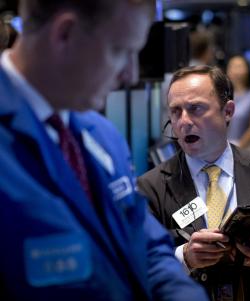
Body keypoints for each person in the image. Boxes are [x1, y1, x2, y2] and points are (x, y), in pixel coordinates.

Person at [0, 1, 208, 300]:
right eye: (120, 52)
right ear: (65, 34)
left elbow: (145, 245)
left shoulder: (103, 134)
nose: (131, 74)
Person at [138, 65, 250, 301]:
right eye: (176, 111)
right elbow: (135, 263)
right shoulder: (150, 188)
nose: (184, 121)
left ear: (228, 111)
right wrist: (184, 257)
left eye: (196, 109)